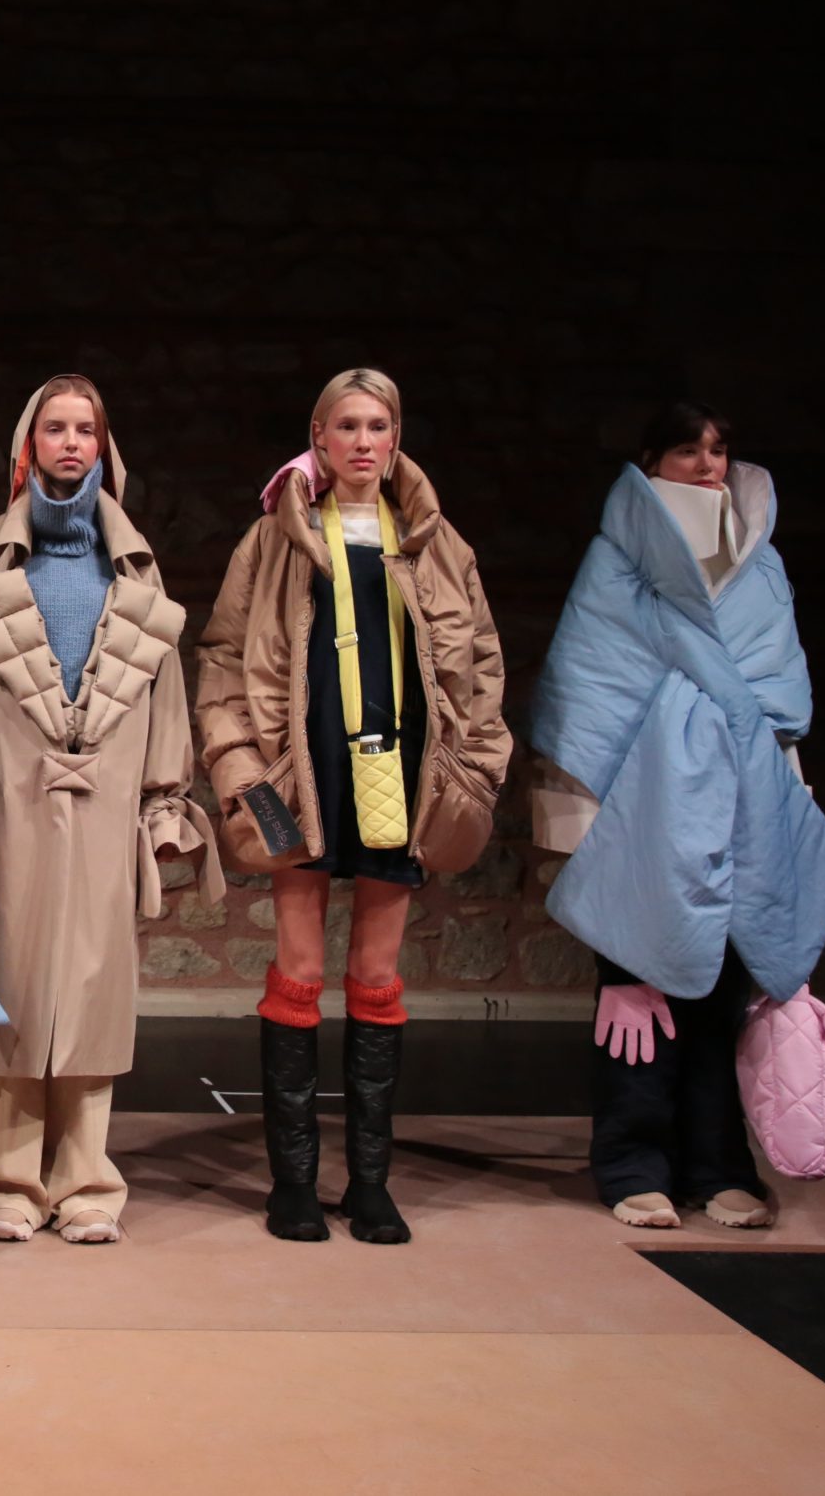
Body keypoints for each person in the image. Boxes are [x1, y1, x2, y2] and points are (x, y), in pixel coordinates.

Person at [194, 367, 509, 1245]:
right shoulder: (274, 540)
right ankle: (293, 1185)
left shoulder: (438, 543)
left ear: (396, 438)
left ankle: (370, 1183)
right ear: (319, 438)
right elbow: (222, 657)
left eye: (378, 425)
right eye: (347, 426)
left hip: (399, 773)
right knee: (298, 964)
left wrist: (475, 765)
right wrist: (243, 772)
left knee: (376, 971)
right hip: (302, 775)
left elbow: (481, 662)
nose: (364, 441)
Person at [0, 377, 216, 1245]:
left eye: (86, 429)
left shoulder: (135, 561)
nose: (72, 442)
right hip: (10, 796)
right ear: (29, 443)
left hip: (107, 798)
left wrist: (163, 801)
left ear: (105, 446)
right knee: (9, 979)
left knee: (94, 986)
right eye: (56, 428)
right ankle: (9, 1179)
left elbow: (163, 688)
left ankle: (86, 1180)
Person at [529, 403, 825, 1231]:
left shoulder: (761, 564)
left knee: (722, 993)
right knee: (637, 990)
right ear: (651, 462)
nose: (708, 464)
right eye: (687, 449)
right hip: (638, 800)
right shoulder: (617, 562)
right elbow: (593, 685)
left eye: (719, 449)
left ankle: (718, 1163)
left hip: (748, 792)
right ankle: (632, 1159)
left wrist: (791, 796)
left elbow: (775, 688)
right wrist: (575, 825)